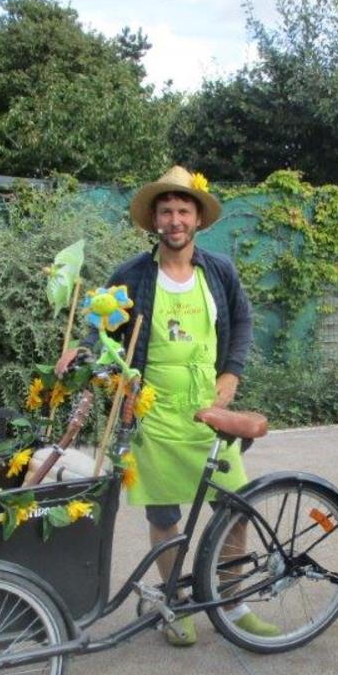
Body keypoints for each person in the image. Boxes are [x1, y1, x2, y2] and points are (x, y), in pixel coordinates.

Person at [57, 165, 276, 645]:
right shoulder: (133, 275)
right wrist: (82, 347)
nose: (175, 220)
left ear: (197, 218)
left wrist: (231, 373)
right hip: (152, 411)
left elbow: (242, 320)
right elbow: (102, 323)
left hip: (210, 411)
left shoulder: (219, 270)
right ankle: (176, 603)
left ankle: (234, 603)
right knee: (164, 517)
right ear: (154, 221)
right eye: (166, 212)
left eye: (183, 211)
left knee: (235, 507)